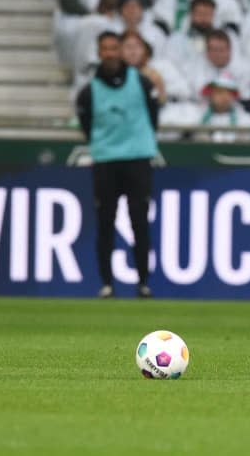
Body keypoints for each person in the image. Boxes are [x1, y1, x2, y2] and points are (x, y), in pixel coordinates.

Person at [75, 31, 159, 299]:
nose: (110, 53)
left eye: (114, 48)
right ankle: (107, 283)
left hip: (137, 158)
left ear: (121, 50)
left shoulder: (142, 83)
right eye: (105, 49)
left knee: (139, 222)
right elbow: (86, 126)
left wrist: (139, 143)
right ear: (99, 53)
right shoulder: (89, 91)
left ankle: (143, 282)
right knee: (105, 222)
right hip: (106, 160)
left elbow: (153, 116)